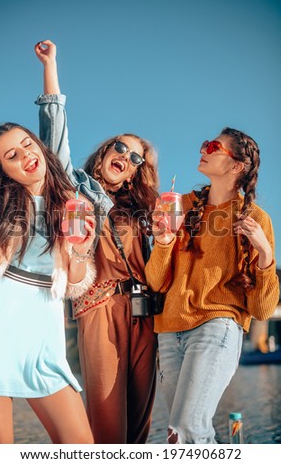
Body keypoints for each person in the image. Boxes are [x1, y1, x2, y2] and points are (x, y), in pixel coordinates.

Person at [34, 40, 160, 444]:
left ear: (135, 173)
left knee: (140, 430)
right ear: (106, 151)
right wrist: (51, 68)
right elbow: (54, 140)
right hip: (99, 306)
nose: (126, 156)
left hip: (146, 313)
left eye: (137, 157)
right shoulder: (79, 190)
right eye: (121, 146)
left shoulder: (144, 209)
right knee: (108, 429)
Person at [144, 129, 280, 444]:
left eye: (214, 147)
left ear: (237, 167)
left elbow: (260, 309)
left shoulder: (257, 220)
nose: (203, 149)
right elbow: (156, 281)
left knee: (185, 429)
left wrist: (265, 253)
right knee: (183, 432)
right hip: (169, 331)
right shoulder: (180, 205)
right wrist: (163, 242)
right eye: (205, 143)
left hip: (216, 327)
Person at [0, 120, 96, 444]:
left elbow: (75, 283)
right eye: (12, 155)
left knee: (81, 446)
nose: (26, 155)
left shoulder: (72, 204)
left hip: (43, 331)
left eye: (27, 143)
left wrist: (83, 250)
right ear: (2, 170)